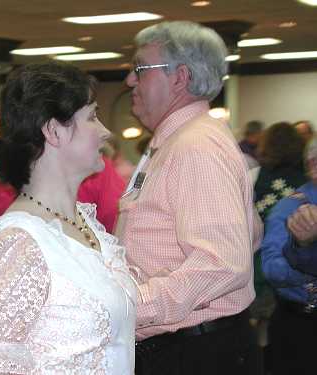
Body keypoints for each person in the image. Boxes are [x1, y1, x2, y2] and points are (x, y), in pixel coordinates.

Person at [0, 62, 137, 374]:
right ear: (54, 130)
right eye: (92, 117)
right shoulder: (19, 245)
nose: (105, 131)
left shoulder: (85, 225)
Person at [118, 21, 263, 375]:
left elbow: (221, 263)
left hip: (194, 351)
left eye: (140, 69)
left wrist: (129, 306)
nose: (129, 81)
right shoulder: (179, 140)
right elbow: (251, 233)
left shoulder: (194, 146)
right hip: (191, 345)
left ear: (180, 77)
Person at [0, 156, 125, 263]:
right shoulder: (98, 169)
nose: (104, 132)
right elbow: (119, 234)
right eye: (91, 117)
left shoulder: (1, 169)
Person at [260, 136, 317, 375]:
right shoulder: (291, 208)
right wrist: (305, 258)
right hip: (302, 326)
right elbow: (272, 269)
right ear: (313, 165)